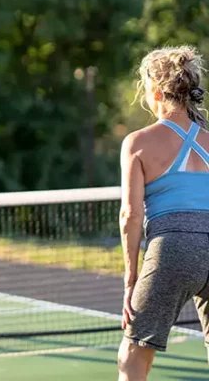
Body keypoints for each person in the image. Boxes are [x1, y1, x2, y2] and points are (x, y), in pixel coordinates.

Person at [118, 45, 209, 380]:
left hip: (174, 248)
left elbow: (130, 215)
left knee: (133, 354)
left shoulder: (138, 142)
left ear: (155, 92)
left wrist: (130, 280)